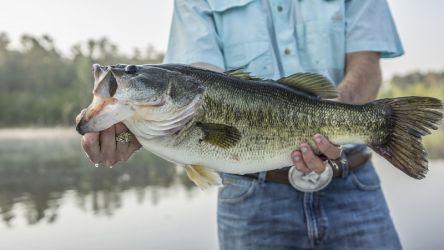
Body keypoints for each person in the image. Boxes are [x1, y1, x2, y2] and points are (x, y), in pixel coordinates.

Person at [81, 0, 404, 249]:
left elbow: (367, 64)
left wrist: (335, 117)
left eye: (132, 71)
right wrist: (132, 130)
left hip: (352, 183)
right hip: (250, 199)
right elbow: (200, 76)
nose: (125, 75)